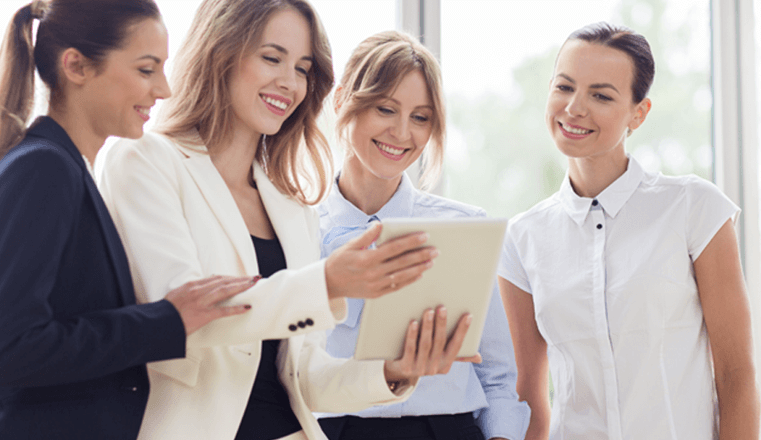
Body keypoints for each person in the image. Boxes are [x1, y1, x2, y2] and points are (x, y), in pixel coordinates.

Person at [96, 1, 476, 439]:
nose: (289, 83)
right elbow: (182, 317)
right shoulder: (145, 161)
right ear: (221, 50)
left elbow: (302, 378)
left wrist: (392, 371)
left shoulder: (291, 206)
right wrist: (327, 284)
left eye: (302, 68)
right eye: (272, 58)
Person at [0, 0, 257, 438]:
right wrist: (166, 320)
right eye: (145, 69)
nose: (165, 89)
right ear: (76, 66)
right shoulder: (44, 168)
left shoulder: (69, 169)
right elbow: (13, 347)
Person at [497, 22, 761, 440]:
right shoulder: (522, 237)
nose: (574, 108)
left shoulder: (693, 207)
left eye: (600, 95)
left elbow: (736, 376)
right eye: (564, 88)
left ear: (638, 113)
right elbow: (528, 395)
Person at [314, 31, 530, 440]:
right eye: (385, 108)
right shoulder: (297, 232)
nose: (401, 132)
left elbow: (499, 376)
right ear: (343, 100)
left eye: (420, 117)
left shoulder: (464, 229)